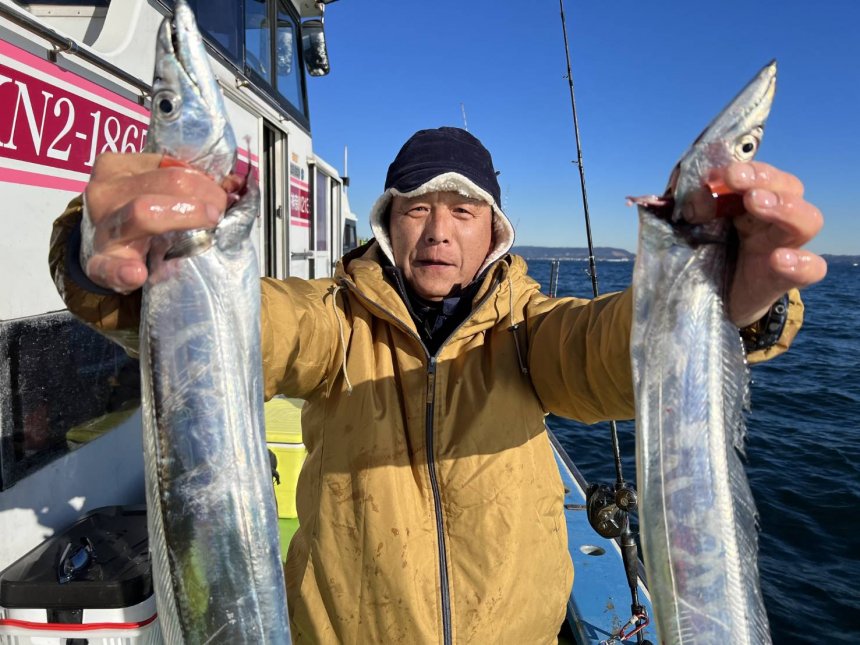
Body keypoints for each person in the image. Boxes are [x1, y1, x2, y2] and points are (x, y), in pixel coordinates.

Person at [49, 127, 826, 643]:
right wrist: (119, 271)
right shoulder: (334, 320)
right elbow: (245, 328)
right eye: (417, 208)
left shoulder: (528, 331)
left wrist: (717, 304)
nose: (439, 230)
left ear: (495, 230)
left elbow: (601, 350)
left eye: (463, 209)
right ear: (388, 223)